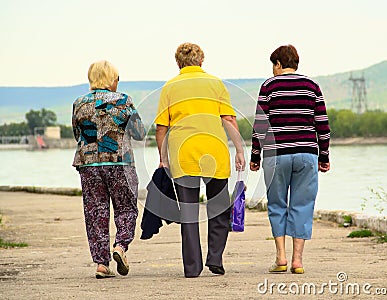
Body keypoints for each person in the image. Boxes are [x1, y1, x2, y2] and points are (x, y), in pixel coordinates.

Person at [155, 42, 245, 278]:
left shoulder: (169, 87)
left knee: (188, 213)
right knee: (218, 207)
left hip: (183, 154)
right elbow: (229, 120)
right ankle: (215, 258)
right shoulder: (216, 83)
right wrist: (239, 150)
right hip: (214, 152)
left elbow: (161, 128)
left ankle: (192, 268)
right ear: (201, 61)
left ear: (178, 63)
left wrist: (163, 158)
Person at [250, 45, 330, 274]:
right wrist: (323, 156)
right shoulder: (312, 87)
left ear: (277, 64)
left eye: (272, 65)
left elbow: (260, 125)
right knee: (302, 205)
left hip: (276, 155)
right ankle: (298, 261)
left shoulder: (268, 86)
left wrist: (256, 155)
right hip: (306, 155)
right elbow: (322, 126)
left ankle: (281, 258)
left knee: (277, 204)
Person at [72, 60, 145, 279]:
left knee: (96, 212)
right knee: (126, 207)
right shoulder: (123, 101)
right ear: (111, 79)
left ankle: (102, 264)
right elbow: (140, 132)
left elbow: (78, 134)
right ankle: (120, 246)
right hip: (120, 163)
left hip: (89, 164)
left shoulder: (79, 103)